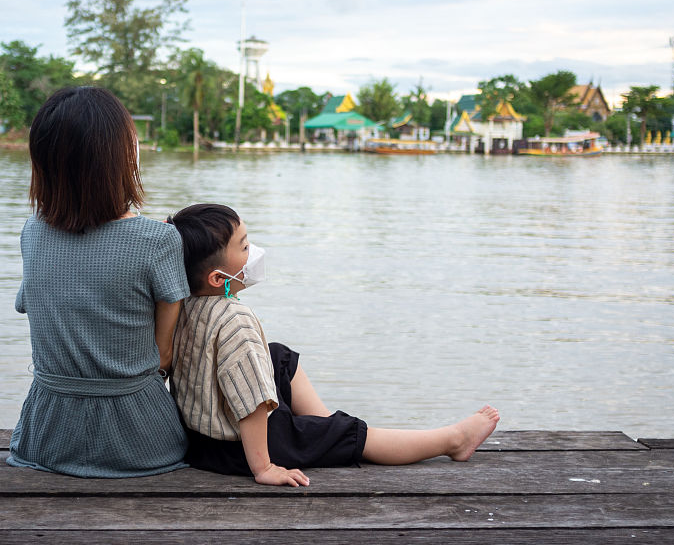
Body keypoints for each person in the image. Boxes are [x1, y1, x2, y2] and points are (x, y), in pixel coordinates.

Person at [166, 203, 500, 487]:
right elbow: (253, 405)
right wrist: (263, 468)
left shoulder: (181, 305)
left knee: (277, 356)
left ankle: (321, 425)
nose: (252, 252)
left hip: (203, 442)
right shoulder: (236, 321)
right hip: (244, 447)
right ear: (218, 279)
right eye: (244, 247)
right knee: (351, 433)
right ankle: (454, 441)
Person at [7, 87, 189, 477]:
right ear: (121, 158)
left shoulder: (32, 233)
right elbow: (163, 356)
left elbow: (31, 305)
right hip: (142, 443)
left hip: (46, 438)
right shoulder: (159, 241)